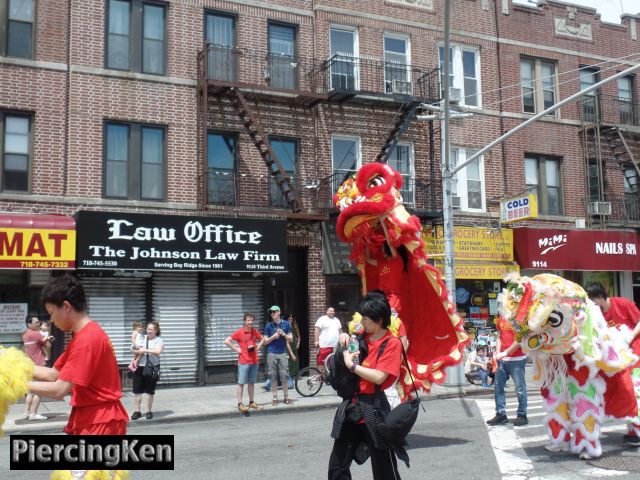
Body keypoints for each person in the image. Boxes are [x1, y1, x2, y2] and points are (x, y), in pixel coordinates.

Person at [26, 275, 129, 435]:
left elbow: (59, 389)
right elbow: (53, 374)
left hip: (99, 421)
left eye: (51, 312)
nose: (51, 320)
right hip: (92, 416)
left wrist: (13, 385)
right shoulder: (83, 336)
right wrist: (13, 366)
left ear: (66, 306)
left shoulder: (87, 339)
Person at [329, 292, 404, 480]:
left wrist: (352, 366)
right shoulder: (360, 337)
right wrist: (344, 336)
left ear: (378, 320)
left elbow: (379, 377)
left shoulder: (391, 343)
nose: (361, 321)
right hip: (351, 410)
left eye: (365, 317)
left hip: (374, 411)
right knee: (337, 468)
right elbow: (345, 349)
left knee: (385, 472)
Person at [586, 281, 640, 446]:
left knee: (635, 393)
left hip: (636, 355)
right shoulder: (597, 314)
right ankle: (633, 429)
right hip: (618, 360)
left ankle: (635, 431)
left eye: (593, 301)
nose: (592, 305)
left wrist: (629, 337)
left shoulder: (622, 304)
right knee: (625, 393)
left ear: (600, 297)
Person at [487, 315, 528, 426]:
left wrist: (505, 353)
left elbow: (520, 339)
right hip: (502, 359)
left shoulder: (518, 318)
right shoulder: (501, 318)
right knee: (498, 386)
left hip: (517, 359)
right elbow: (499, 336)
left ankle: (522, 415)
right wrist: (497, 353)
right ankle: (501, 414)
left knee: (520, 388)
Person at [224, 313, 264, 413]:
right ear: (244, 321)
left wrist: (257, 348)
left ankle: (251, 402)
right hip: (244, 361)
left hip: (254, 361)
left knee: (251, 382)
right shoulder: (239, 332)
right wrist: (237, 349)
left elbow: (263, 339)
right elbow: (227, 341)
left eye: (252, 320)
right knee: (241, 383)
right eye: (248, 320)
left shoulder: (254, 331)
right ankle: (240, 404)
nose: (250, 322)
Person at [22, 313, 53, 420]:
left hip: (30, 366)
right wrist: (48, 334)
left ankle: (26, 412)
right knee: (40, 391)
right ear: (29, 323)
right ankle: (34, 414)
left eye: (39, 322)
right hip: (39, 365)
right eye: (36, 323)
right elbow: (49, 343)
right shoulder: (35, 334)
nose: (38, 324)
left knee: (31, 391)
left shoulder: (25, 334)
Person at [131, 321, 164, 420]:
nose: (149, 331)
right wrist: (135, 348)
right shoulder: (143, 338)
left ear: (156, 330)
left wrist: (145, 350)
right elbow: (134, 348)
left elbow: (158, 352)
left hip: (152, 367)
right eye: (148, 329)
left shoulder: (159, 340)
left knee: (150, 391)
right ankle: (137, 411)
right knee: (137, 390)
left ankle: (149, 411)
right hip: (139, 366)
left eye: (151, 329)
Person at [263, 305, 293, 406]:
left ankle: (286, 397)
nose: (272, 313)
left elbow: (291, 339)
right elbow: (265, 342)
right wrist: (273, 337)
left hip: (283, 353)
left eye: (274, 312)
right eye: (271, 312)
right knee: (273, 376)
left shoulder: (286, 324)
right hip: (271, 353)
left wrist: (283, 334)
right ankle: (275, 397)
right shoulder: (268, 326)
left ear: (279, 312)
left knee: (284, 376)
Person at [315, 307, 342, 374]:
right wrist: (316, 340)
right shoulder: (322, 319)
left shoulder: (337, 320)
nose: (332, 312)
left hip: (335, 346)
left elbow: (340, 331)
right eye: (330, 311)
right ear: (326, 312)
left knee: (333, 361)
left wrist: (342, 339)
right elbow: (317, 330)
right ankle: (321, 376)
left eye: (333, 311)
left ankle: (330, 377)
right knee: (322, 361)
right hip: (325, 345)